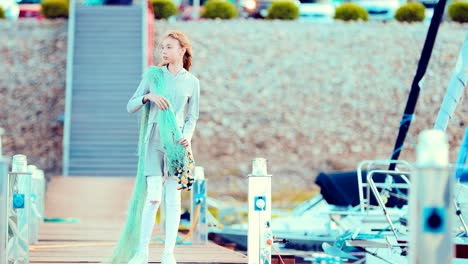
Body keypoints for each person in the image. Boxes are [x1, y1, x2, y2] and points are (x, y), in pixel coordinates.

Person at [104, 30, 200, 264]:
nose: (163, 51)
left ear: (182, 50)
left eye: (169, 47)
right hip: (153, 139)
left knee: (173, 200)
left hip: (176, 144)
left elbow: (192, 117)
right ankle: (142, 252)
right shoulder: (153, 76)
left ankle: (168, 253)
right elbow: (131, 105)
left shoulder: (192, 82)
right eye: (162, 47)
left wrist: (187, 137)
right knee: (154, 198)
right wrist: (149, 97)